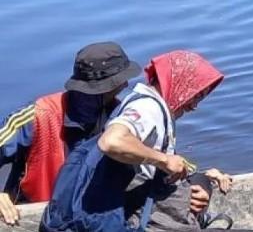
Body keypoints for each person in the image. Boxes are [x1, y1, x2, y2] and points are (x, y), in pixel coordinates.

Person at [40, 50, 232, 232]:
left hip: (135, 206)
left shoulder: (155, 106)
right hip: (134, 219)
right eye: (195, 95)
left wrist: (202, 175)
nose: (195, 105)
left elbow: (156, 159)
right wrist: (164, 160)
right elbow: (111, 141)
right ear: (178, 83)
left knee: (201, 181)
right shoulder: (148, 108)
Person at [0, 42, 141, 227]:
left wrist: (187, 187)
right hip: (37, 217)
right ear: (102, 88)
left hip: (93, 218)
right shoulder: (36, 116)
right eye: (120, 81)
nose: (125, 84)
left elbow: (150, 159)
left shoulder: (120, 117)